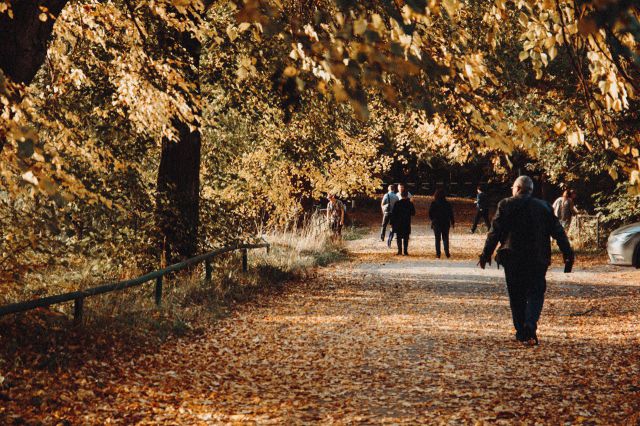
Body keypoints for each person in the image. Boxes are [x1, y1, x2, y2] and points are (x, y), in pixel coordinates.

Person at [478, 176, 574, 346]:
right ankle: (530, 325)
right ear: (530, 190)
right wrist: (567, 253)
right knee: (536, 293)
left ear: (517, 188)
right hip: (538, 258)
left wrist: (486, 254)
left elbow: (495, 232)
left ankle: (521, 331)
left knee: (516, 295)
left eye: (513, 188)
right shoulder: (543, 206)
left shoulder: (505, 204)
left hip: (512, 257)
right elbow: (558, 232)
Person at [429, 188, 455, 258]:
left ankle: (438, 254)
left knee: (437, 239)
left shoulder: (433, 203)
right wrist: (452, 222)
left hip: (436, 223)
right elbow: (451, 214)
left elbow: (430, 213)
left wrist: (433, 220)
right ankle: (447, 253)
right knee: (445, 238)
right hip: (445, 223)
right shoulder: (447, 204)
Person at [390, 190, 415, 256]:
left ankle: (399, 251)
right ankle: (405, 251)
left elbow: (393, 214)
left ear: (401, 195)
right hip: (406, 222)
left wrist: (391, 223)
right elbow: (413, 213)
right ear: (407, 196)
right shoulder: (410, 203)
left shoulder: (397, 203)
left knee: (398, 237)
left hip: (398, 223)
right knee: (406, 237)